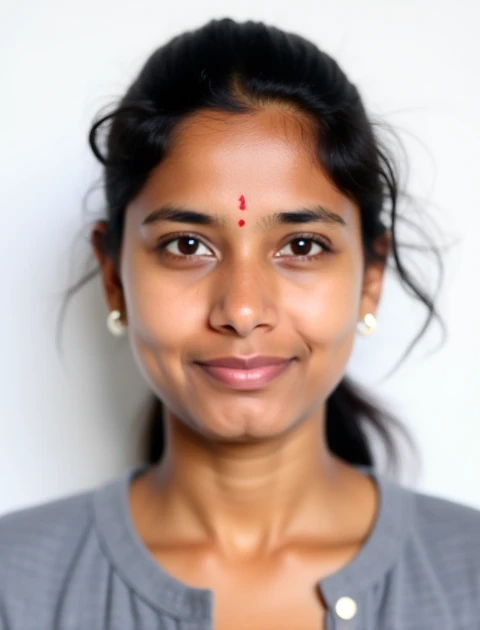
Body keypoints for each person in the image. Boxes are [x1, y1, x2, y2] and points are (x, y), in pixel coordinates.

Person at [0, 17, 479, 630]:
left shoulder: (470, 582)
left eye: (302, 246)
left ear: (370, 277)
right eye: (187, 245)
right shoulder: (16, 590)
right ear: (114, 275)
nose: (244, 310)